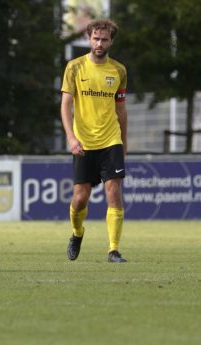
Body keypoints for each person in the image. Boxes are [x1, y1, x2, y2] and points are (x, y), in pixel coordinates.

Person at [60, 18, 128, 263]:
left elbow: (121, 111)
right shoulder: (74, 67)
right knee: (80, 199)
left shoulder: (119, 71)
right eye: (96, 39)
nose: (99, 43)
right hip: (84, 143)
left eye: (104, 40)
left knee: (114, 192)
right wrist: (71, 137)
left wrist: (124, 143)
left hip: (111, 140)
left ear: (111, 42)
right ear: (89, 39)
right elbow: (65, 105)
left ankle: (113, 250)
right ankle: (77, 233)